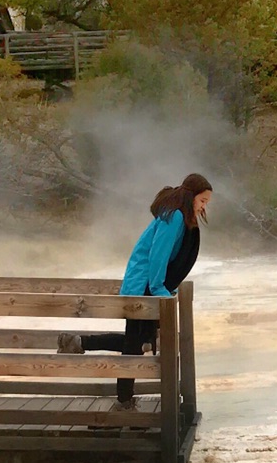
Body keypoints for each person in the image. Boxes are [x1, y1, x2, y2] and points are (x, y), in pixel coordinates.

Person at [64, 174, 213, 406]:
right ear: (191, 196)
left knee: (140, 341)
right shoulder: (174, 217)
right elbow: (157, 254)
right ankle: (124, 400)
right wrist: (158, 289)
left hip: (143, 283)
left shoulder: (178, 217)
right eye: (202, 200)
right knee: (135, 344)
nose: (204, 206)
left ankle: (80, 342)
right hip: (143, 285)